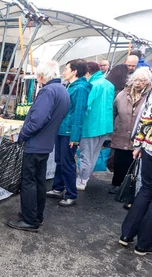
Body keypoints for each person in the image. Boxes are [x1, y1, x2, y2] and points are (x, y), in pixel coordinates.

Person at [7, 61, 70, 232]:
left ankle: (30, 220)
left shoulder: (48, 91)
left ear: (42, 76)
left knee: (28, 182)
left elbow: (37, 120)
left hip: (35, 144)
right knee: (39, 182)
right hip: (46, 143)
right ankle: (36, 215)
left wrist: (22, 135)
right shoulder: (62, 90)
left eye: (38, 76)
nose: (37, 79)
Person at [47, 59, 91, 207]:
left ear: (74, 71)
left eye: (66, 69)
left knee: (67, 163)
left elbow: (79, 113)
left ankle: (71, 194)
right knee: (59, 161)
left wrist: (74, 137)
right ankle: (58, 188)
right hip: (61, 129)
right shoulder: (71, 86)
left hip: (68, 132)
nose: (64, 72)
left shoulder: (81, 89)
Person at [119, 87, 152, 255]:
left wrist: (138, 144)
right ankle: (144, 243)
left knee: (146, 190)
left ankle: (127, 234)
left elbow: (145, 119)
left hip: (149, 146)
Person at [110, 67, 151, 193]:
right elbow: (114, 112)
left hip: (138, 137)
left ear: (148, 82)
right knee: (119, 161)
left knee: (133, 163)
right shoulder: (122, 94)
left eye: (142, 81)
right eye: (136, 80)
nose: (138, 83)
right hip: (121, 133)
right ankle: (116, 183)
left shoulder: (149, 98)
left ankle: (129, 188)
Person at [77, 62, 115, 190]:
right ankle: (85, 177)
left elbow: (85, 106)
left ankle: (82, 179)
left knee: (85, 155)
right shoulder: (109, 85)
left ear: (88, 72)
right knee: (94, 154)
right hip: (105, 126)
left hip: (91, 125)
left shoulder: (91, 85)